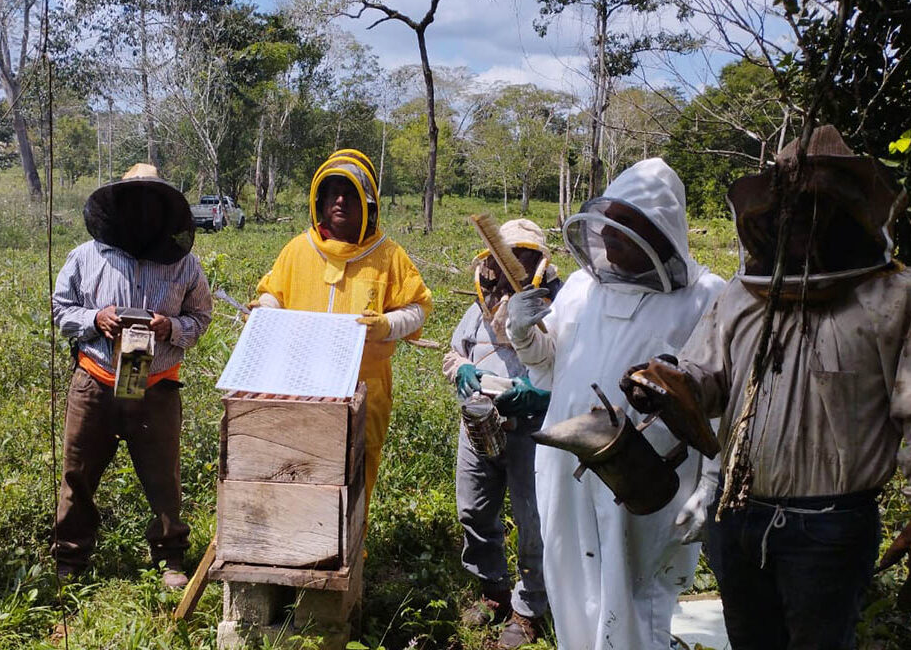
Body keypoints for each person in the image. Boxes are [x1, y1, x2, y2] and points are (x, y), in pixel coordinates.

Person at [621, 126, 911, 650]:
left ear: (845, 208)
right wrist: (663, 383)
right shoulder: (741, 294)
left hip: (831, 528)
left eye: (814, 204)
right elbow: (707, 380)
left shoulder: (894, 297)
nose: (797, 217)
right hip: (736, 516)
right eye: (788, 206)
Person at [505, 158, 725, 650]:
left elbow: (723, 401)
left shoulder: (706, 297)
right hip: (567, 463)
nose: (607, 237)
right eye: (608, 223)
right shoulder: (583, 288)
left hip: (648, 477)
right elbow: (550, 364)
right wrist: (522, 333)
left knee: (637, 596)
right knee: (571, 580)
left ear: (658, 232)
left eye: (624, 227)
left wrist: (712, 482)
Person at [52, 163, 212, 586]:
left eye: (150, 202)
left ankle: (171, 559)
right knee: (77, 475)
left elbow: (201, 317)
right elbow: (61, 309)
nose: (142, 210)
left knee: (164, 480)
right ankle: (70, 557)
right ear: (117, 206)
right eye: (133, 201)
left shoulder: (185, 265)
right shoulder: (85, 257)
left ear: (163, 209)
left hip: (156, 388)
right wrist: (95, 318)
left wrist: (170, 327)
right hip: (95, 383)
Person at [253, 149, 432, 504]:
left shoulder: (388, 255)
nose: (340, 201)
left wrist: (387, 325)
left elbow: (418, 307)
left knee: (356, 479)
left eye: (350, 194)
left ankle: (353, 540)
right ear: (319, 201)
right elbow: (274, 293)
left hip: (365, 389)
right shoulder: (297, 250)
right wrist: (264, 310)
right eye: (333, 192)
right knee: (299, 469)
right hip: (300, 386)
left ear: (368, 204)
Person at [442, 219, 561, 647]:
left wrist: (539, 397)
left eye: (522, 257)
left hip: (533, 432)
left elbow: (573, 372)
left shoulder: (558, 311)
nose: (511, 267)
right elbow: (453, 353)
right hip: (478, 427)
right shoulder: (477, 310)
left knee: (534, 522)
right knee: (473, 510)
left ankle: (529, 607)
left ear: (538, 263)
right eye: (505, 258)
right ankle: (492, 588)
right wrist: (462, 370)